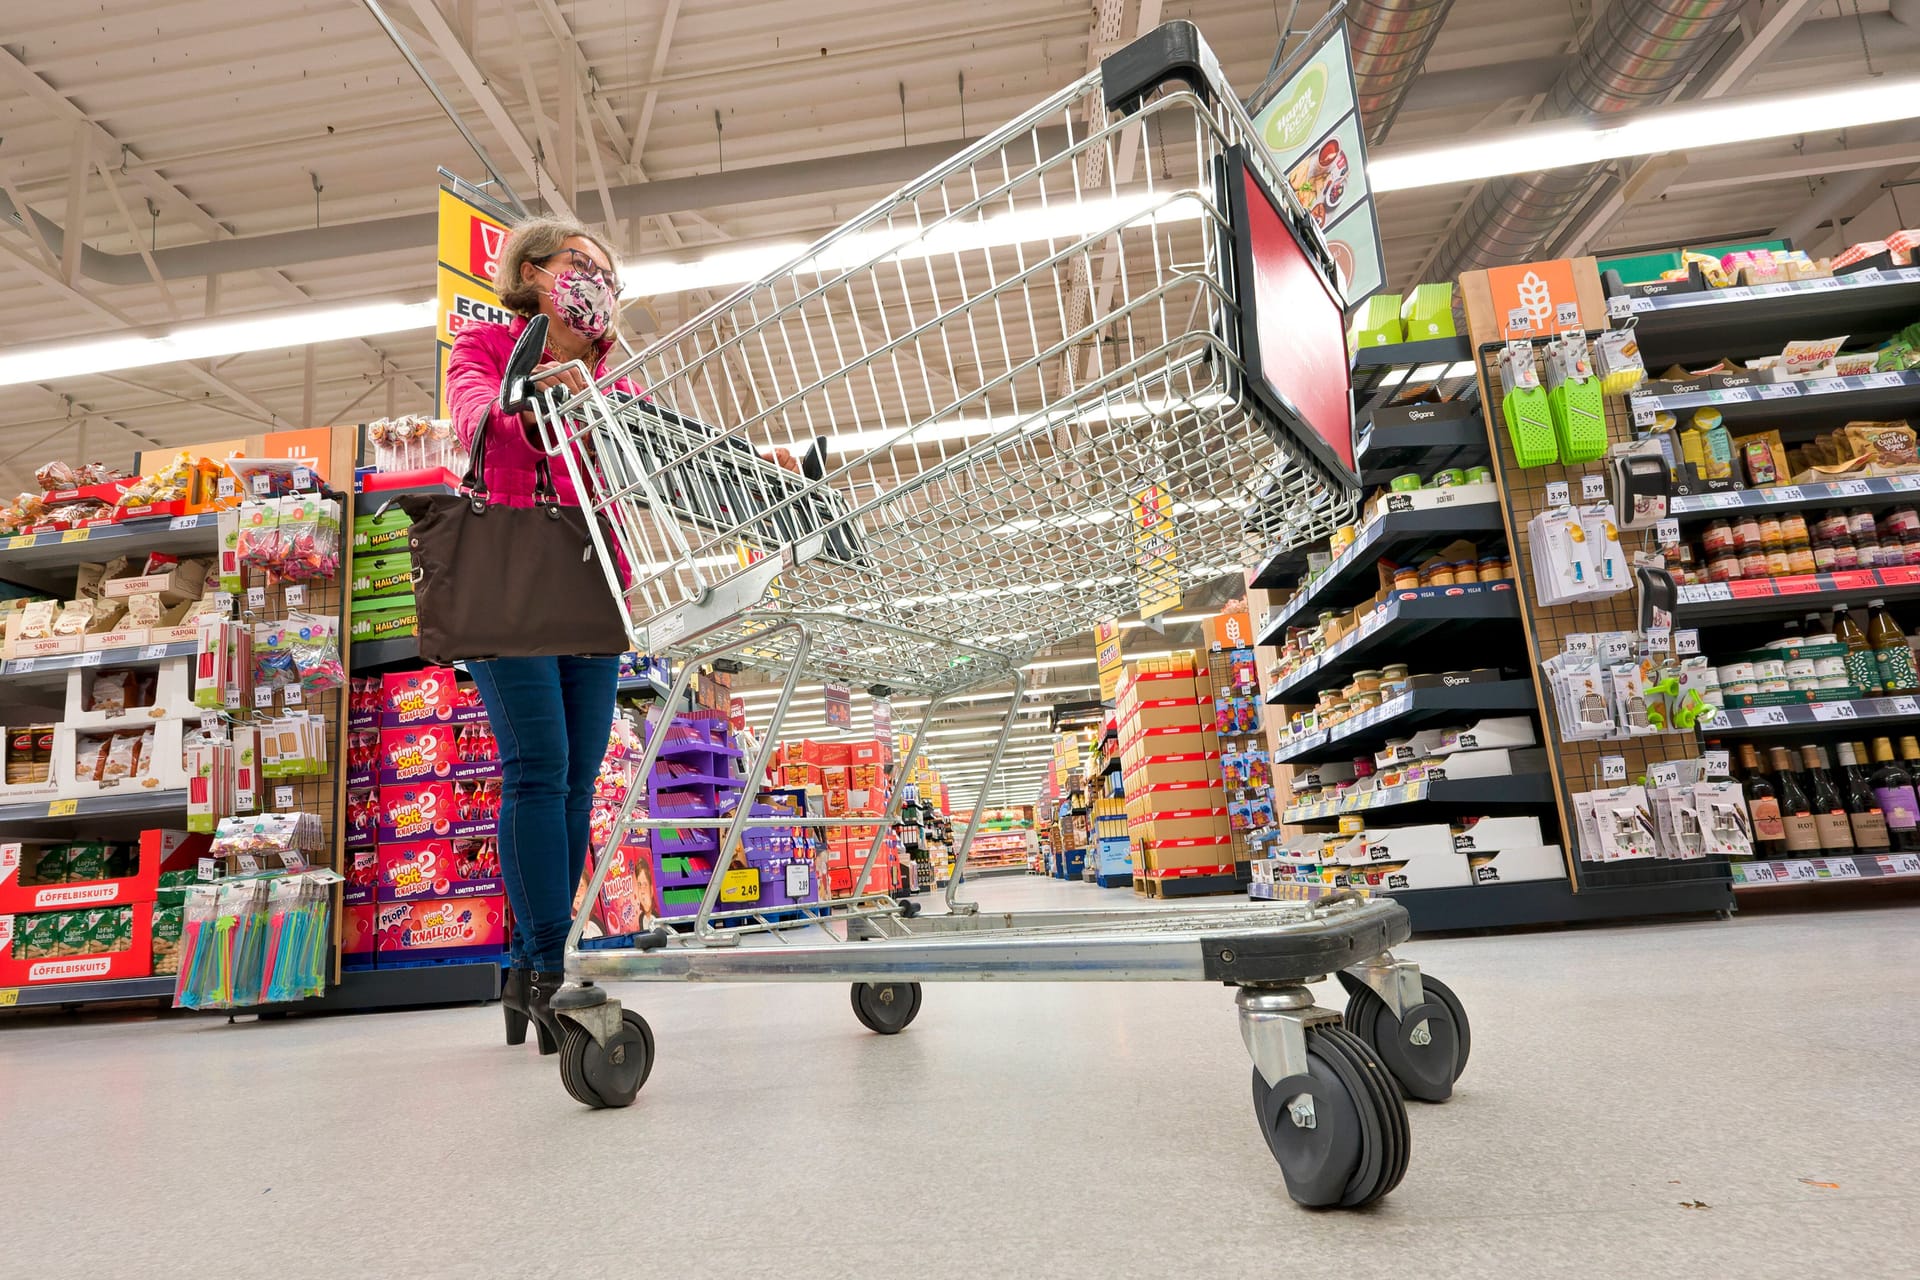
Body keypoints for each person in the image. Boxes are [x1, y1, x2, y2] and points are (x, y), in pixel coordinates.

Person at [444, 216, 635, 1054]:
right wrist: (541, 394)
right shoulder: (485, 344)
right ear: (531, 269)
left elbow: (638, 453)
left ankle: (534, 961)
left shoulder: (608, 370)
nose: (599, 281)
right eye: (582, 264)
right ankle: (550, 963)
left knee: (576, 776)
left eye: (609, 275)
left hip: (591, 576)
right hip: (508, 574)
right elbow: (476, 421)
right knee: (538, 767)